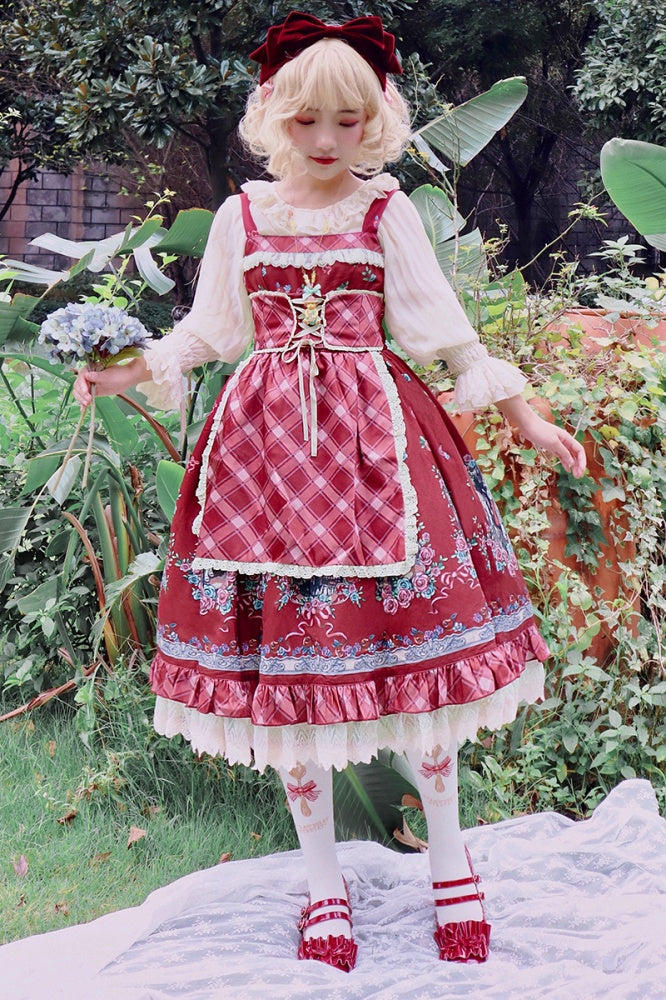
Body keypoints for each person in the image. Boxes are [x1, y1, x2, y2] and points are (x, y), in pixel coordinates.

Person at [73, 11, 586, 973]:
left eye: (345, 123)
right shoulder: (240, 218)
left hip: (381, 456)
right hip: (261, 468)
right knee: (287, 678)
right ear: (276, 114)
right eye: (306, 119)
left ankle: (449, 860)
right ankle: (320, 884)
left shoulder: (386, 213)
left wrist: (526, 416)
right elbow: (209, 335)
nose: (322, 141)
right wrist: (122, 371)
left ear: (371, 123)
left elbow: (450, 336)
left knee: (412, 660)